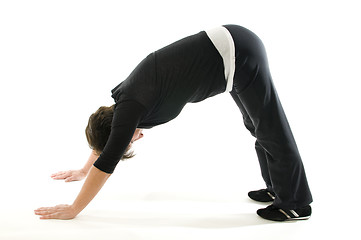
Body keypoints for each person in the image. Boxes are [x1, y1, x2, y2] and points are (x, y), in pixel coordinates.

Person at [34, 24, 312, 222]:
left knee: (271, 128)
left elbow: (107, 160)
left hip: (237, 53)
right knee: (257, 126)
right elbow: (109, 140)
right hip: (232, 50)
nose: (137, 138)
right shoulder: (123, 103)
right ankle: (278, 187)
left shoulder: (131, 109)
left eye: (130, 138)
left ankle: (295, 204)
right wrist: (84, 170)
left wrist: (74, 208)